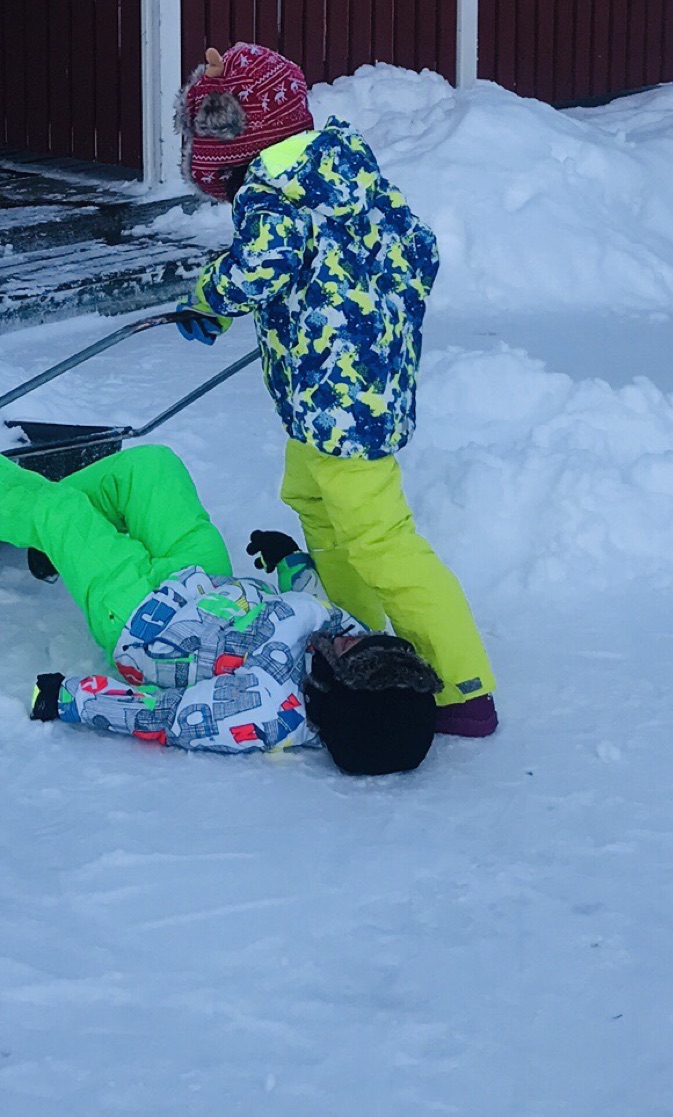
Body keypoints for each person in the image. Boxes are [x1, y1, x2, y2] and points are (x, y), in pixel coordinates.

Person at [173, 42, 498, 738]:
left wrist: (208, 294)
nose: (208, 137)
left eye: (218, 120)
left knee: (381, 539)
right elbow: (416, 250)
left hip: (338, 405)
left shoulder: (272, 188)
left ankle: (465, 685)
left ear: (253, 126)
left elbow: (261, 265)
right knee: (315, 507)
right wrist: (354, 318)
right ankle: (356, 632)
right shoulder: (337, 167)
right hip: (344, 395)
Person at [0, 420, 441, 776]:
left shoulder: (257, 709)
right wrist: (288, 561)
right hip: (206, 584)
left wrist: (72, 699)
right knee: (150, 469)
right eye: (379, 645)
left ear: (342, 697)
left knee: (62, 514)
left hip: (141, 620)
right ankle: (45, 539)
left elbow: (163, 715)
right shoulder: (346, 642)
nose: (361, 638)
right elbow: (309, 608)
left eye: (363, 655)